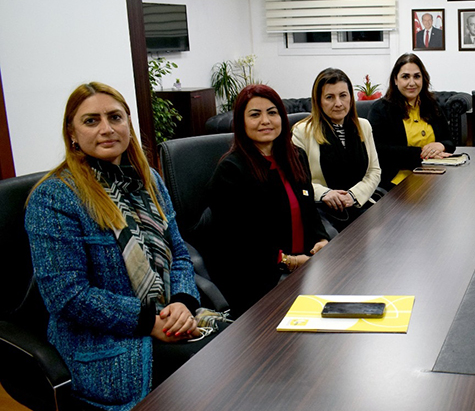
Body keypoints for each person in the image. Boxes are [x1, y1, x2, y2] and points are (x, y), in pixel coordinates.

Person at [25, 82, 203, 409]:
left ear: (128, 125)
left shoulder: (148, 179)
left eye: (115, 117)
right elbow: (67, 295)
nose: (106, 129)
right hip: (103, 344)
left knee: (234, 353)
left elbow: (178, 253)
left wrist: (181, 303)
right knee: (208, 373)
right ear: (72, 133)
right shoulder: (54, 197)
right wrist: (149, 321)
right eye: (91, 120)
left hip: (170, 319)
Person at [203, 84, 329, 318]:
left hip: (304, 268)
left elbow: (308, 209)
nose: (265, 121)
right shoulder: (231, 171)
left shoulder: (296, 156)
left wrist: (321, 239)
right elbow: (240, 242)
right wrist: (291, 262)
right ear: (241, 122)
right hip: (259, 280)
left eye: (272, 112)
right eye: (255, 115)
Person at [292, 68, 381, 232]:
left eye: (343, 95)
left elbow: (374, 171)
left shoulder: (364, 126)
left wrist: (353, 195)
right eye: (329, 97)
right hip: (323, 210)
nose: (338, 103)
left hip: (359, 203)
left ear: (351, 98)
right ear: (318, 101)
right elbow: (297, 179)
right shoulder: (302, 131)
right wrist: (324, 193)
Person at [368, 53, 456, 189]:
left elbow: (450, 141)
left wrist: (441, 146)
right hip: (398, 183)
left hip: (436, 179)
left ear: (423, 79)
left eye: (417, 76)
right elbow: (380, 151)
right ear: (395, 80)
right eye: (405, 77)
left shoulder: (432, 105)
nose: (412, 83)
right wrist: (421, 154)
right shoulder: (381, 109)